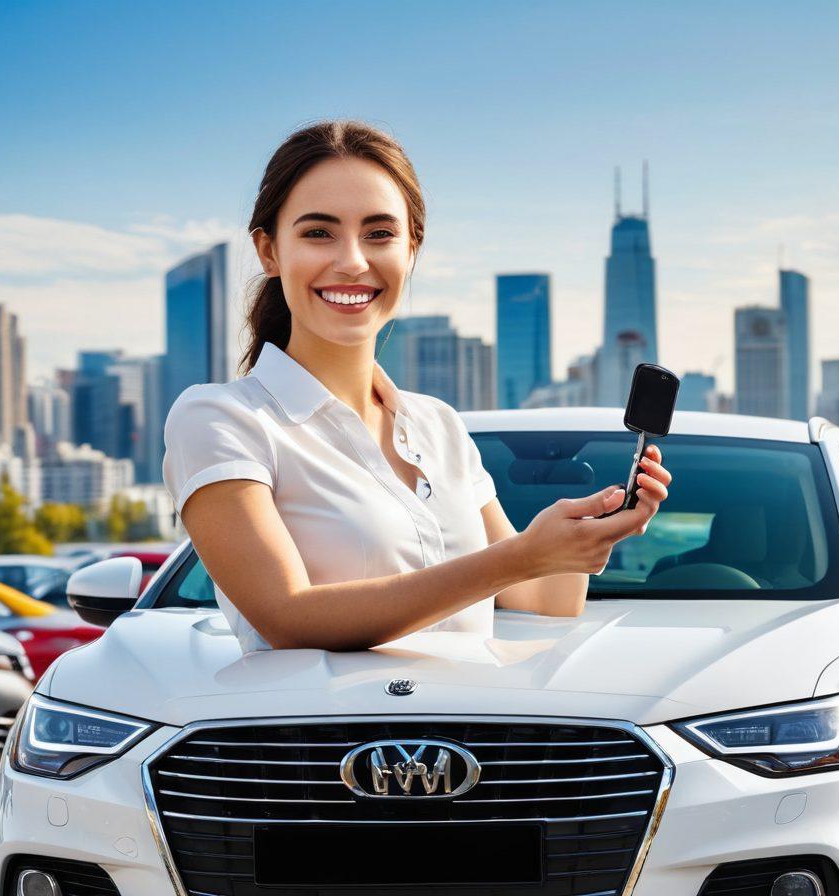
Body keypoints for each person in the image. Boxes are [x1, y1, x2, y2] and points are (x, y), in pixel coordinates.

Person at [162, 120, 672, 654]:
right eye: (319, 233)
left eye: (379, 234)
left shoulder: (439, 426)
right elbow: (287, 618)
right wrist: (521, 556)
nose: (353, 261)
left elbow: (543, 600)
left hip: (481, 735)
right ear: (269, 251)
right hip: (319, 739)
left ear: (411, 250)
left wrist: (587, 535)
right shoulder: (221, 418)